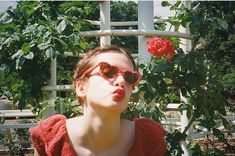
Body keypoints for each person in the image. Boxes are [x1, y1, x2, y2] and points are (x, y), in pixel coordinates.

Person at [29, 45, 167, 156]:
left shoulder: (147, 141)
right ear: (81, 87)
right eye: (108, 71)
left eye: (129, 77)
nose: (121, 81)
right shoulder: (52, 140)